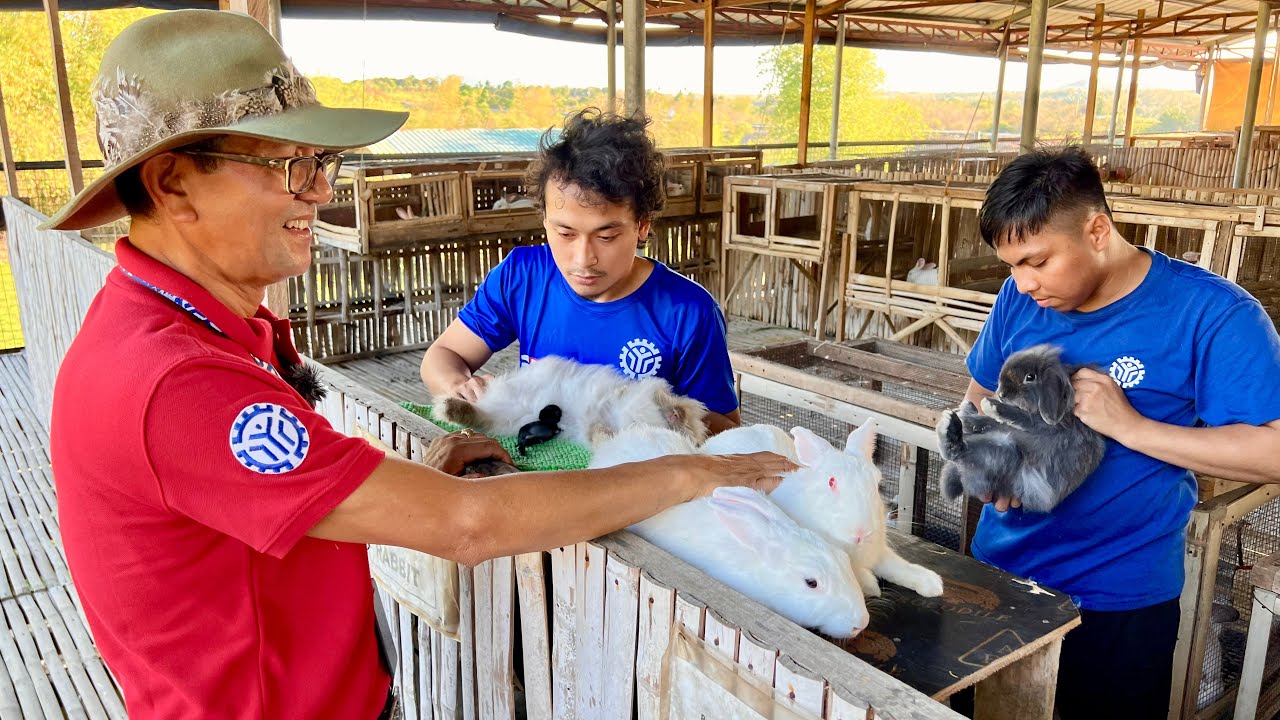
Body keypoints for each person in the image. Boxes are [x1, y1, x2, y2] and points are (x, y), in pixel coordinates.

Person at [45, 11, 793, 720]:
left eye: (321, 161)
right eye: (289, 165)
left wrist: (415, 477)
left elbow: (277, 507)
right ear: (174, 183)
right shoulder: (175, 379)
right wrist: (685, 474)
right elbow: (466, 525)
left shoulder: (213, 331)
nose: (321, 189)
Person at [962, 146, 1280, 719]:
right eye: (1011, 265)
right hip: (998, 572)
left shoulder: (1213, 315)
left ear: (1098, 228)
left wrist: (1130, 426)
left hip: (1118, 597)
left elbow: (1273, 451)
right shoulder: (1017, 298)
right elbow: (978, 395)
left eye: (1037, 261)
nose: (1022, 282)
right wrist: (983, 463)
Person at [421, 109, 742, 435]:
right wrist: (458, 385)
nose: (583, 258)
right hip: (538, 468)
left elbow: (728, 429)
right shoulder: (522, 277)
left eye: (606, 236)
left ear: (642, 225)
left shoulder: (687, 311)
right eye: (565, 233)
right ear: (545, 220)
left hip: (636, 473)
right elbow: (443, 355)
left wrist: (654, 412)